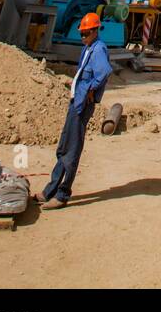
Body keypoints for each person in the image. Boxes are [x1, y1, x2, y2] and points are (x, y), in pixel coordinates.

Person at [38, 11, 111, 210]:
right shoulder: (88, 48)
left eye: (86, 33)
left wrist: (91, 88)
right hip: (75, 101)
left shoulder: (98, 50)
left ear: (95, 31)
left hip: (82, 104)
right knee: (64, 146)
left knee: (72, 149)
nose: (82, 37)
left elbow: (104, 72)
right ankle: (49, 190)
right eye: (82, 33)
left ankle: (62, 194)